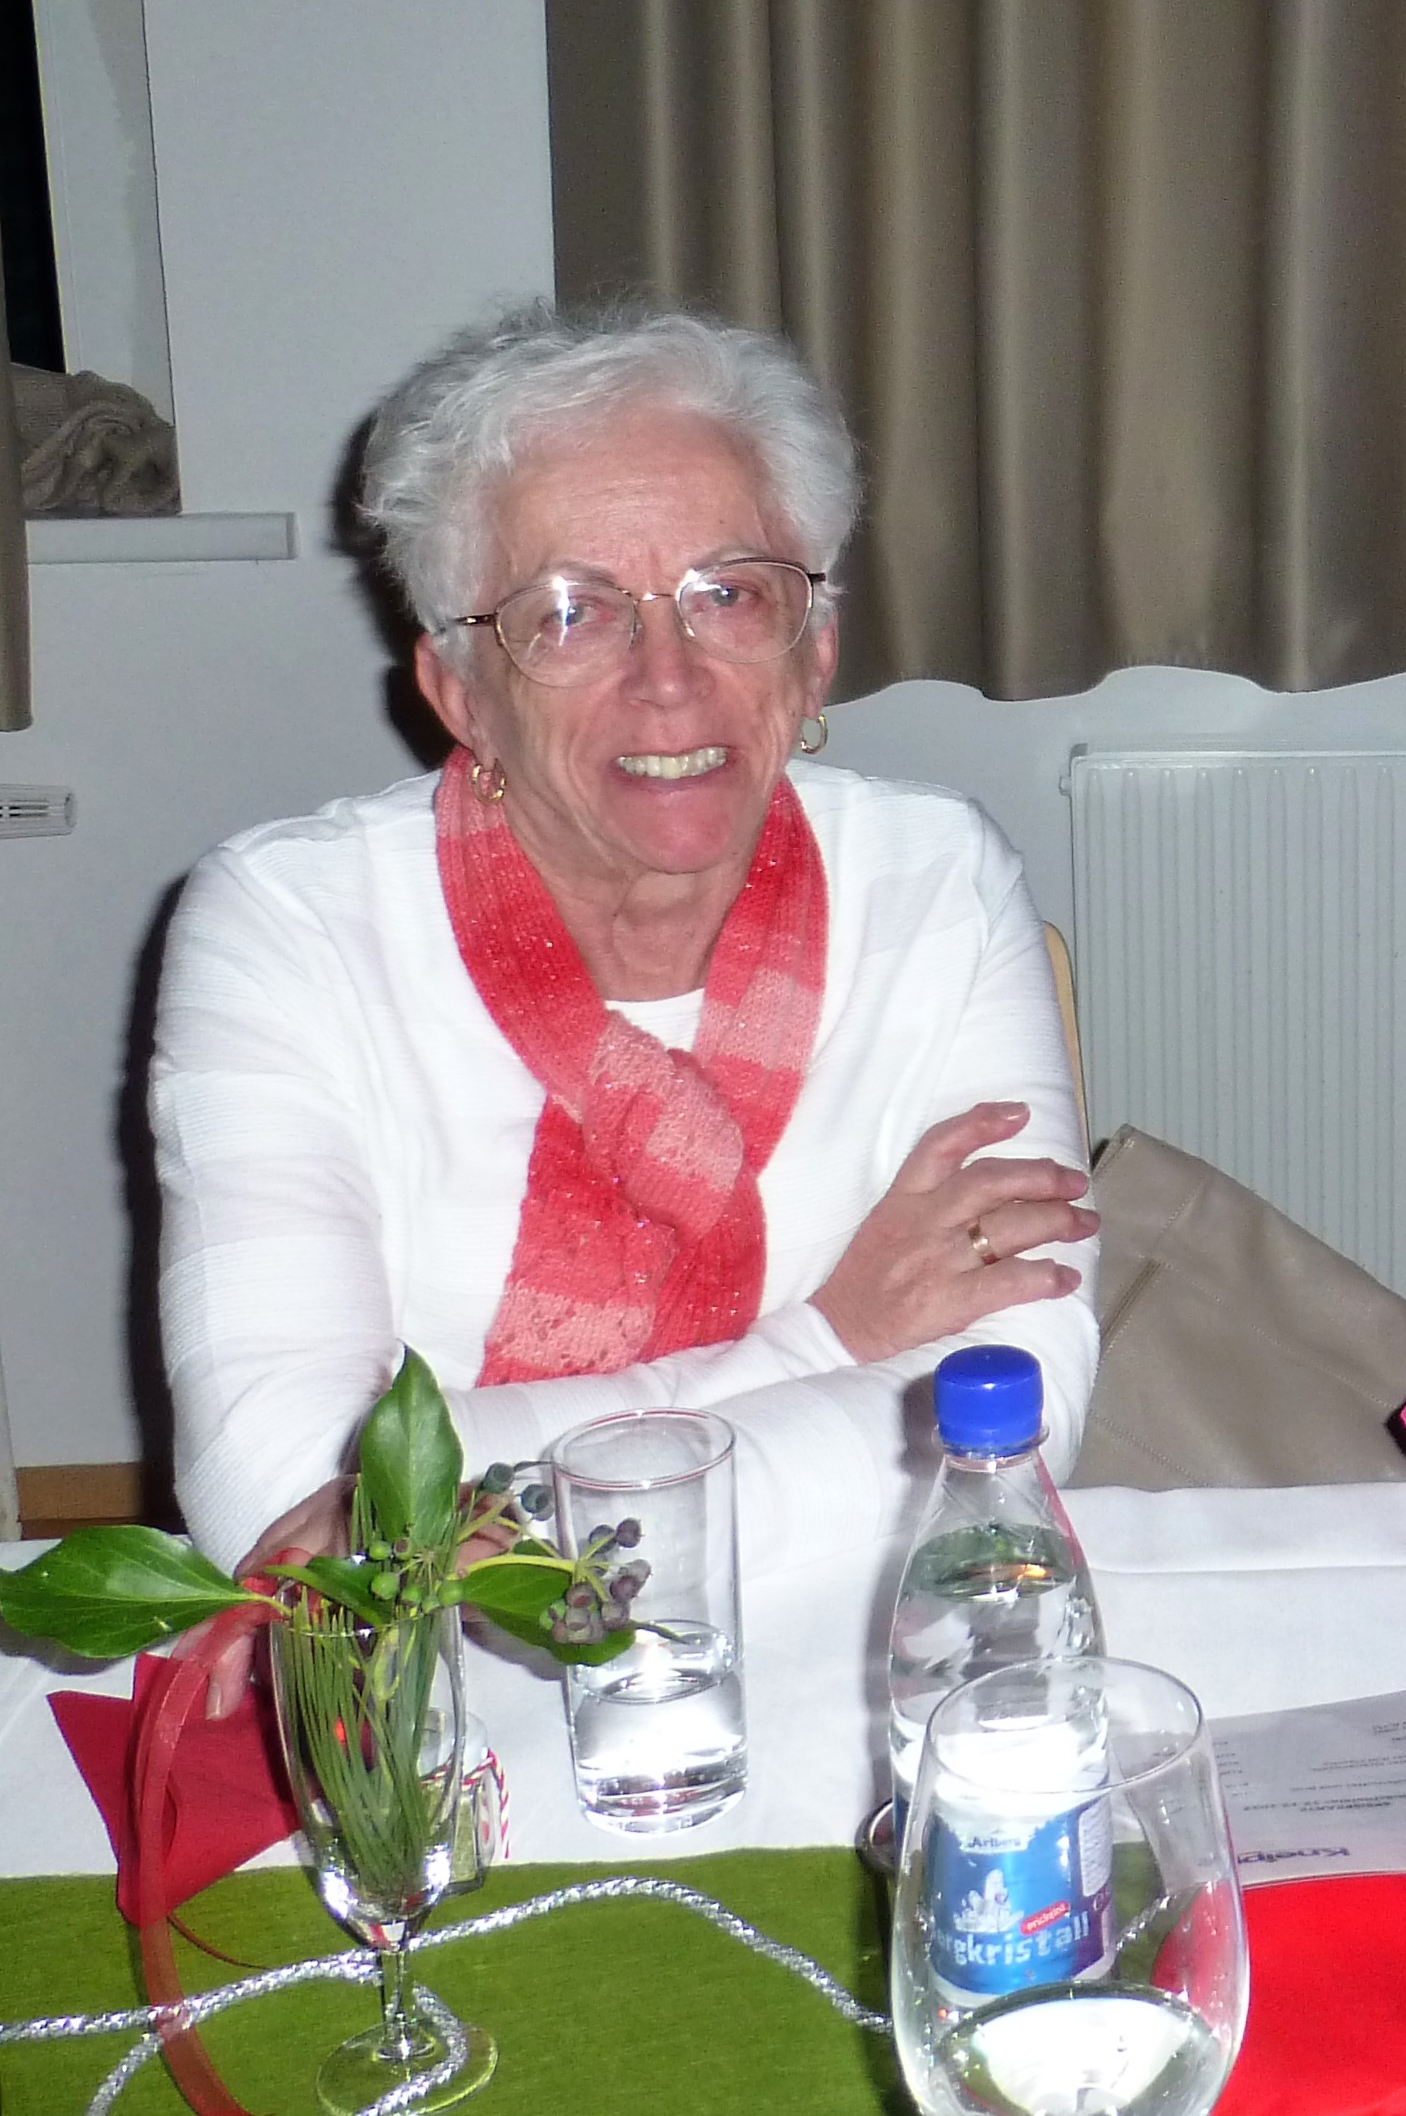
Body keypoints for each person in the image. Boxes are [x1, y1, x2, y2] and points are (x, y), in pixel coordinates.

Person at [155, 300, 1099, 1578]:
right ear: (459, 693)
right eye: (569, 612)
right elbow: (292, 1504)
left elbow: (1014, 1418)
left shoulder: (932, 881)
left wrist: (447, 1499)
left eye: (729, 594)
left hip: (856, 1631)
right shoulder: (287, 929)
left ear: (813, 655)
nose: (668, 675)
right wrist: (824, 1341)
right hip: (436, 1681)